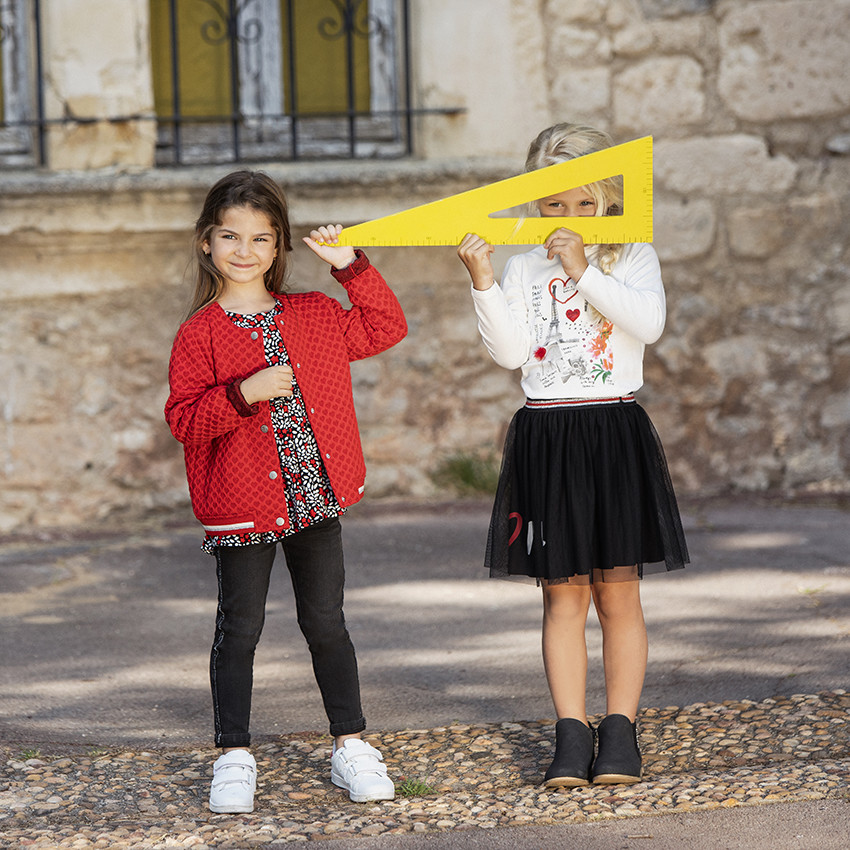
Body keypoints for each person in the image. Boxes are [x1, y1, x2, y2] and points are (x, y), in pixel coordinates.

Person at [165, 170, 407, 813]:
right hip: (241, 505)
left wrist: (351, 267)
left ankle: (351, 746)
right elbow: (184, 420)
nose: (244, 250)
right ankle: (234, 756)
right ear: (206, 243)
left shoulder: (314, 315)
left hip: (315, 497)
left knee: (326, 621)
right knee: (239, 627)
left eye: (262, 239)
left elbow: (385, 328)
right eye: (230, 236)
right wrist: (242, 395)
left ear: (280, 248)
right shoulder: (201, 333)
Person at [457, 123, 689, 788]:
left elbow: (647, 324)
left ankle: (619, 731)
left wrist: (583, 268)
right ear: (533, 203)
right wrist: (483, 281)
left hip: (613, 432)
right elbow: (509, 354)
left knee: (618, 594)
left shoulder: (631, 252)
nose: (566, 218)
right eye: (552, 204)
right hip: (548, 435)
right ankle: (570, 732)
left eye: (583, 204)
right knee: (562, 596)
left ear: (608, 200)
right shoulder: (522, 263)